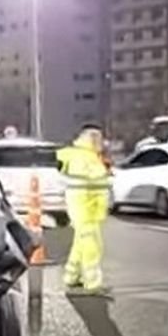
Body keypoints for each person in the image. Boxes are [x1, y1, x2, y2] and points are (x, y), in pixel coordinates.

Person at [55, 123, 112, 296]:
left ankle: (71, 276)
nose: (103, 142)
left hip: (83, 209)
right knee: (92, 246)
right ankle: (93, 283)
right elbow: (96, 186)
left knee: (81, 243)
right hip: (86, 210)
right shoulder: (88, 159)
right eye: (100, 139)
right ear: (93, 139)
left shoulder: (77, 155)